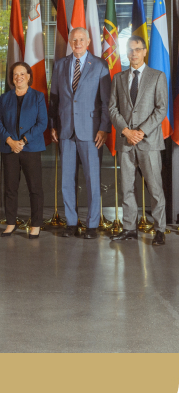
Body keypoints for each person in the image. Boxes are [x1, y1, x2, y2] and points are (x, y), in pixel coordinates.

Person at [49, 27, 111, 239]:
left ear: (88, 41)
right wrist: (53, 125)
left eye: (81, 39)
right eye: (74, 39)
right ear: (70, 41)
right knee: (67, 180)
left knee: (92, 180)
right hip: (66, 130)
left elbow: (106, 102)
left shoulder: (100, 65)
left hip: (92, 131)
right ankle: (71, 223)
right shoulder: (60, 65)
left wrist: (104, 128)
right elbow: (54, 98)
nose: (77, 43)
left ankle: (92, 225)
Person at [108, 36, 168, 246]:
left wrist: (141, 131)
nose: (134, 53)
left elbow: (161, 109)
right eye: (130, 49)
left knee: (155, 188)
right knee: (126, 188)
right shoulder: (118, 78)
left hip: (148, 141)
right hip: (126, 142)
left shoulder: (157, 76)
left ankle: (160, 229)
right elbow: (112, 108)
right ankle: (129, 228)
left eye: (137, 49)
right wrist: (126, 131)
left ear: (144, 51)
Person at [0, 62, 47, 239]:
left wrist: (23, 140)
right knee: (10, 188)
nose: (19, 77)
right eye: (16, 74)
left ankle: (36, 225)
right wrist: (10, 141)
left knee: (35, 188)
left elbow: (42, 123)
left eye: (22, 74)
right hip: (9, 148)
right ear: (12, 78)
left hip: (31, 148)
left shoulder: (38, 97)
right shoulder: (5, 98)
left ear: (29, 76)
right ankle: (10, 223)